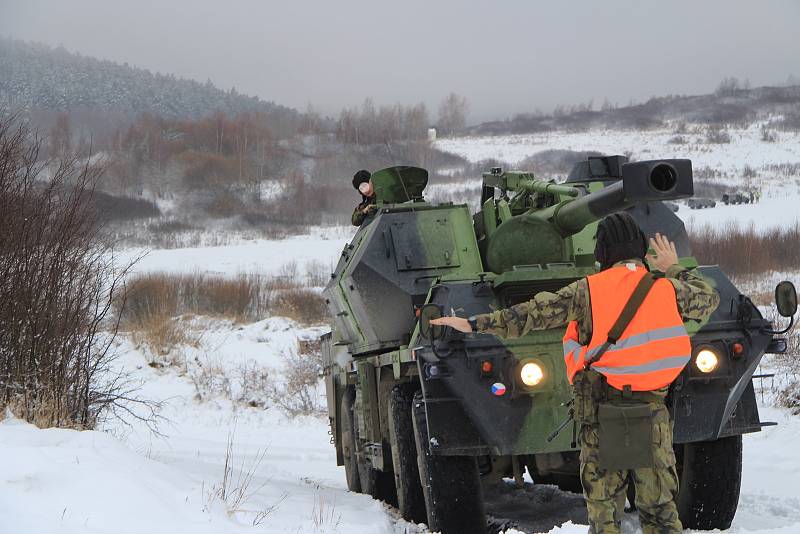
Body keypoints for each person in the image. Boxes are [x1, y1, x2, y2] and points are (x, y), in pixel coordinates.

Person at [430, 212, 719, 534]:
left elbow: (531, 314)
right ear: (640, 249)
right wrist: (673, 267)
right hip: (653, 416)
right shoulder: (667, 288)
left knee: (605, 517)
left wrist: (473, 324)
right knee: (660, 514)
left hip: (602, 417)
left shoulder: (588, 291)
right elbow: (709, 298)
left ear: (602, 253)